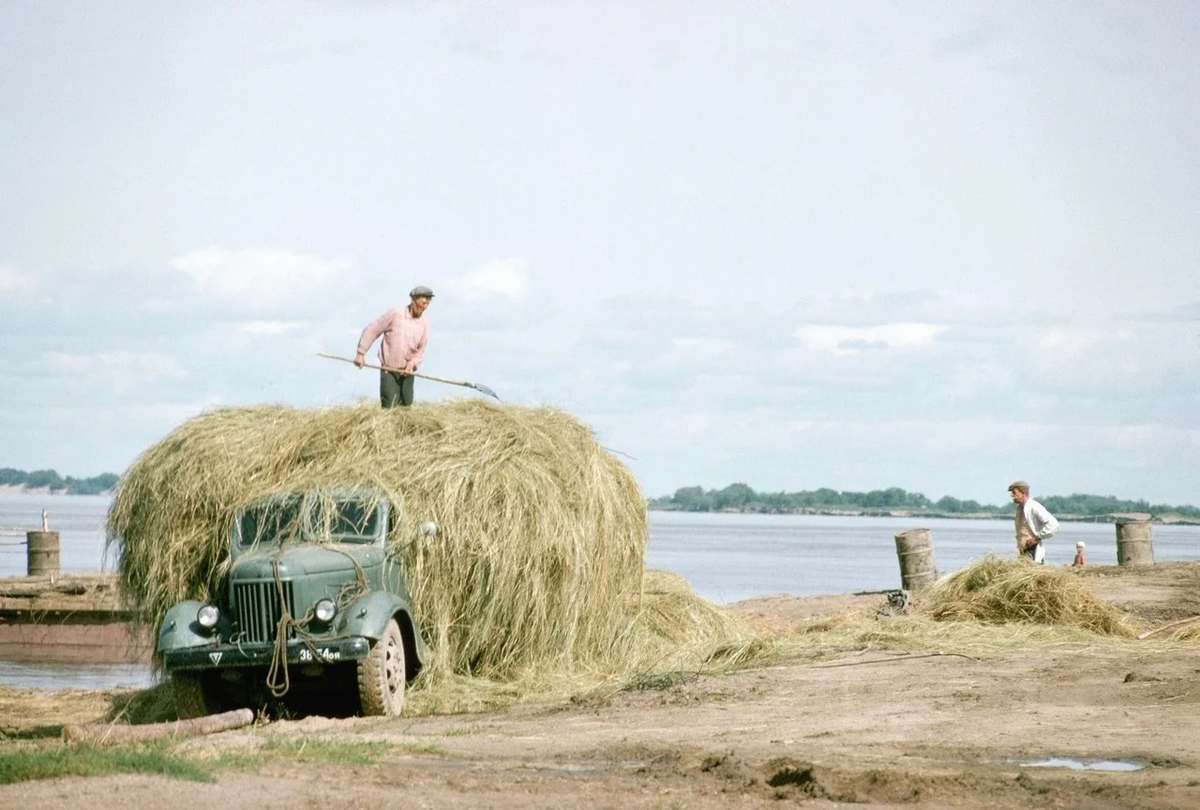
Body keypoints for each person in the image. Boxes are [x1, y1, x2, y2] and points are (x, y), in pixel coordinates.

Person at [354, 286, 433, 408]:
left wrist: (411, 365)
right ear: (413, 300)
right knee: (389, 409)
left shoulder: (425, 324)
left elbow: (420, 352)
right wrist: (361, 353)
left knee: (406, 409)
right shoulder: (395, 314)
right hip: (389, 371)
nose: (425, 307)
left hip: (408, 373)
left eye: (428, 303)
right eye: (423, 303)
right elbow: (373, 329)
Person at [1008, 480, 1059, 564]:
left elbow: (1053, 524)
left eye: (1014, 492)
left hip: (1033, 550)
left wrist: (1037, 538)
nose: (1012, 495)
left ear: (1023, 492)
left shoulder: (1034, 507)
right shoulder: (1020, 508)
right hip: (1023, 551)